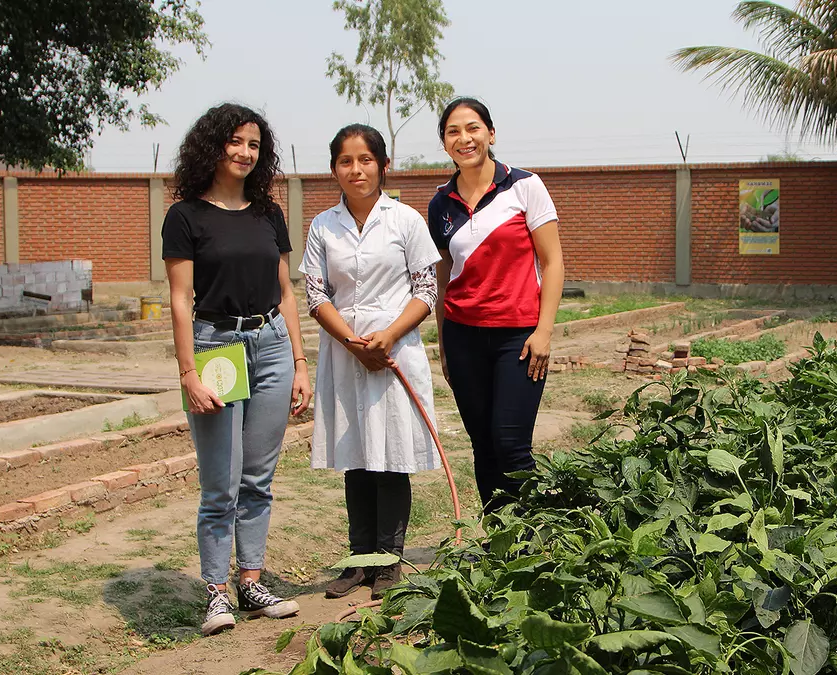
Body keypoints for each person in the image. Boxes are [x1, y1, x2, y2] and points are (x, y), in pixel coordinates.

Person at [162, 103, 312, 636]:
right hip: (216, 348)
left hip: (271, 345)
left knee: (258, 478)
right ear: (212, 145)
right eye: (235, 142)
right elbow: (180, 300)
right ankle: (216, 592)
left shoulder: (269, 214)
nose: (245, 153)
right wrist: (188, 373)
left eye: (254, 144)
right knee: (220, 482)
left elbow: (286, 291)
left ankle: (250, 581)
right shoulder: (185, 216)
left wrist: (299, 362)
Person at [301, 124, 441, 600]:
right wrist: (352, 342)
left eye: (365, 160)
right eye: (345, 161)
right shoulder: (322, 226)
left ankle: (388, 561)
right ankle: (359, 561)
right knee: (357, 457)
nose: (356, 169)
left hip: (394, 350)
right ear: (333, 169)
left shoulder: (405, 221)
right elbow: (316, 295)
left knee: (392, 456)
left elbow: (427, 290)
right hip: (345, 350)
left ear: (384, 165)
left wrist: (389, 337)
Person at [427, 98, 564, 514]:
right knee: (483, 445)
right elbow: (443, 279)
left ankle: (535, 537)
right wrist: (444, 346)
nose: (464, 138)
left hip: (518, 338)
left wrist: (544, 332)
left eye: (473, 128)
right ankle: (498, 538)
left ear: (490, 133)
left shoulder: (525, 186)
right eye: (453, 131)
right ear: (444, 143)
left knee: (511, 444)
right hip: (463, 338)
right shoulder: (440, 203)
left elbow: (553, 261)